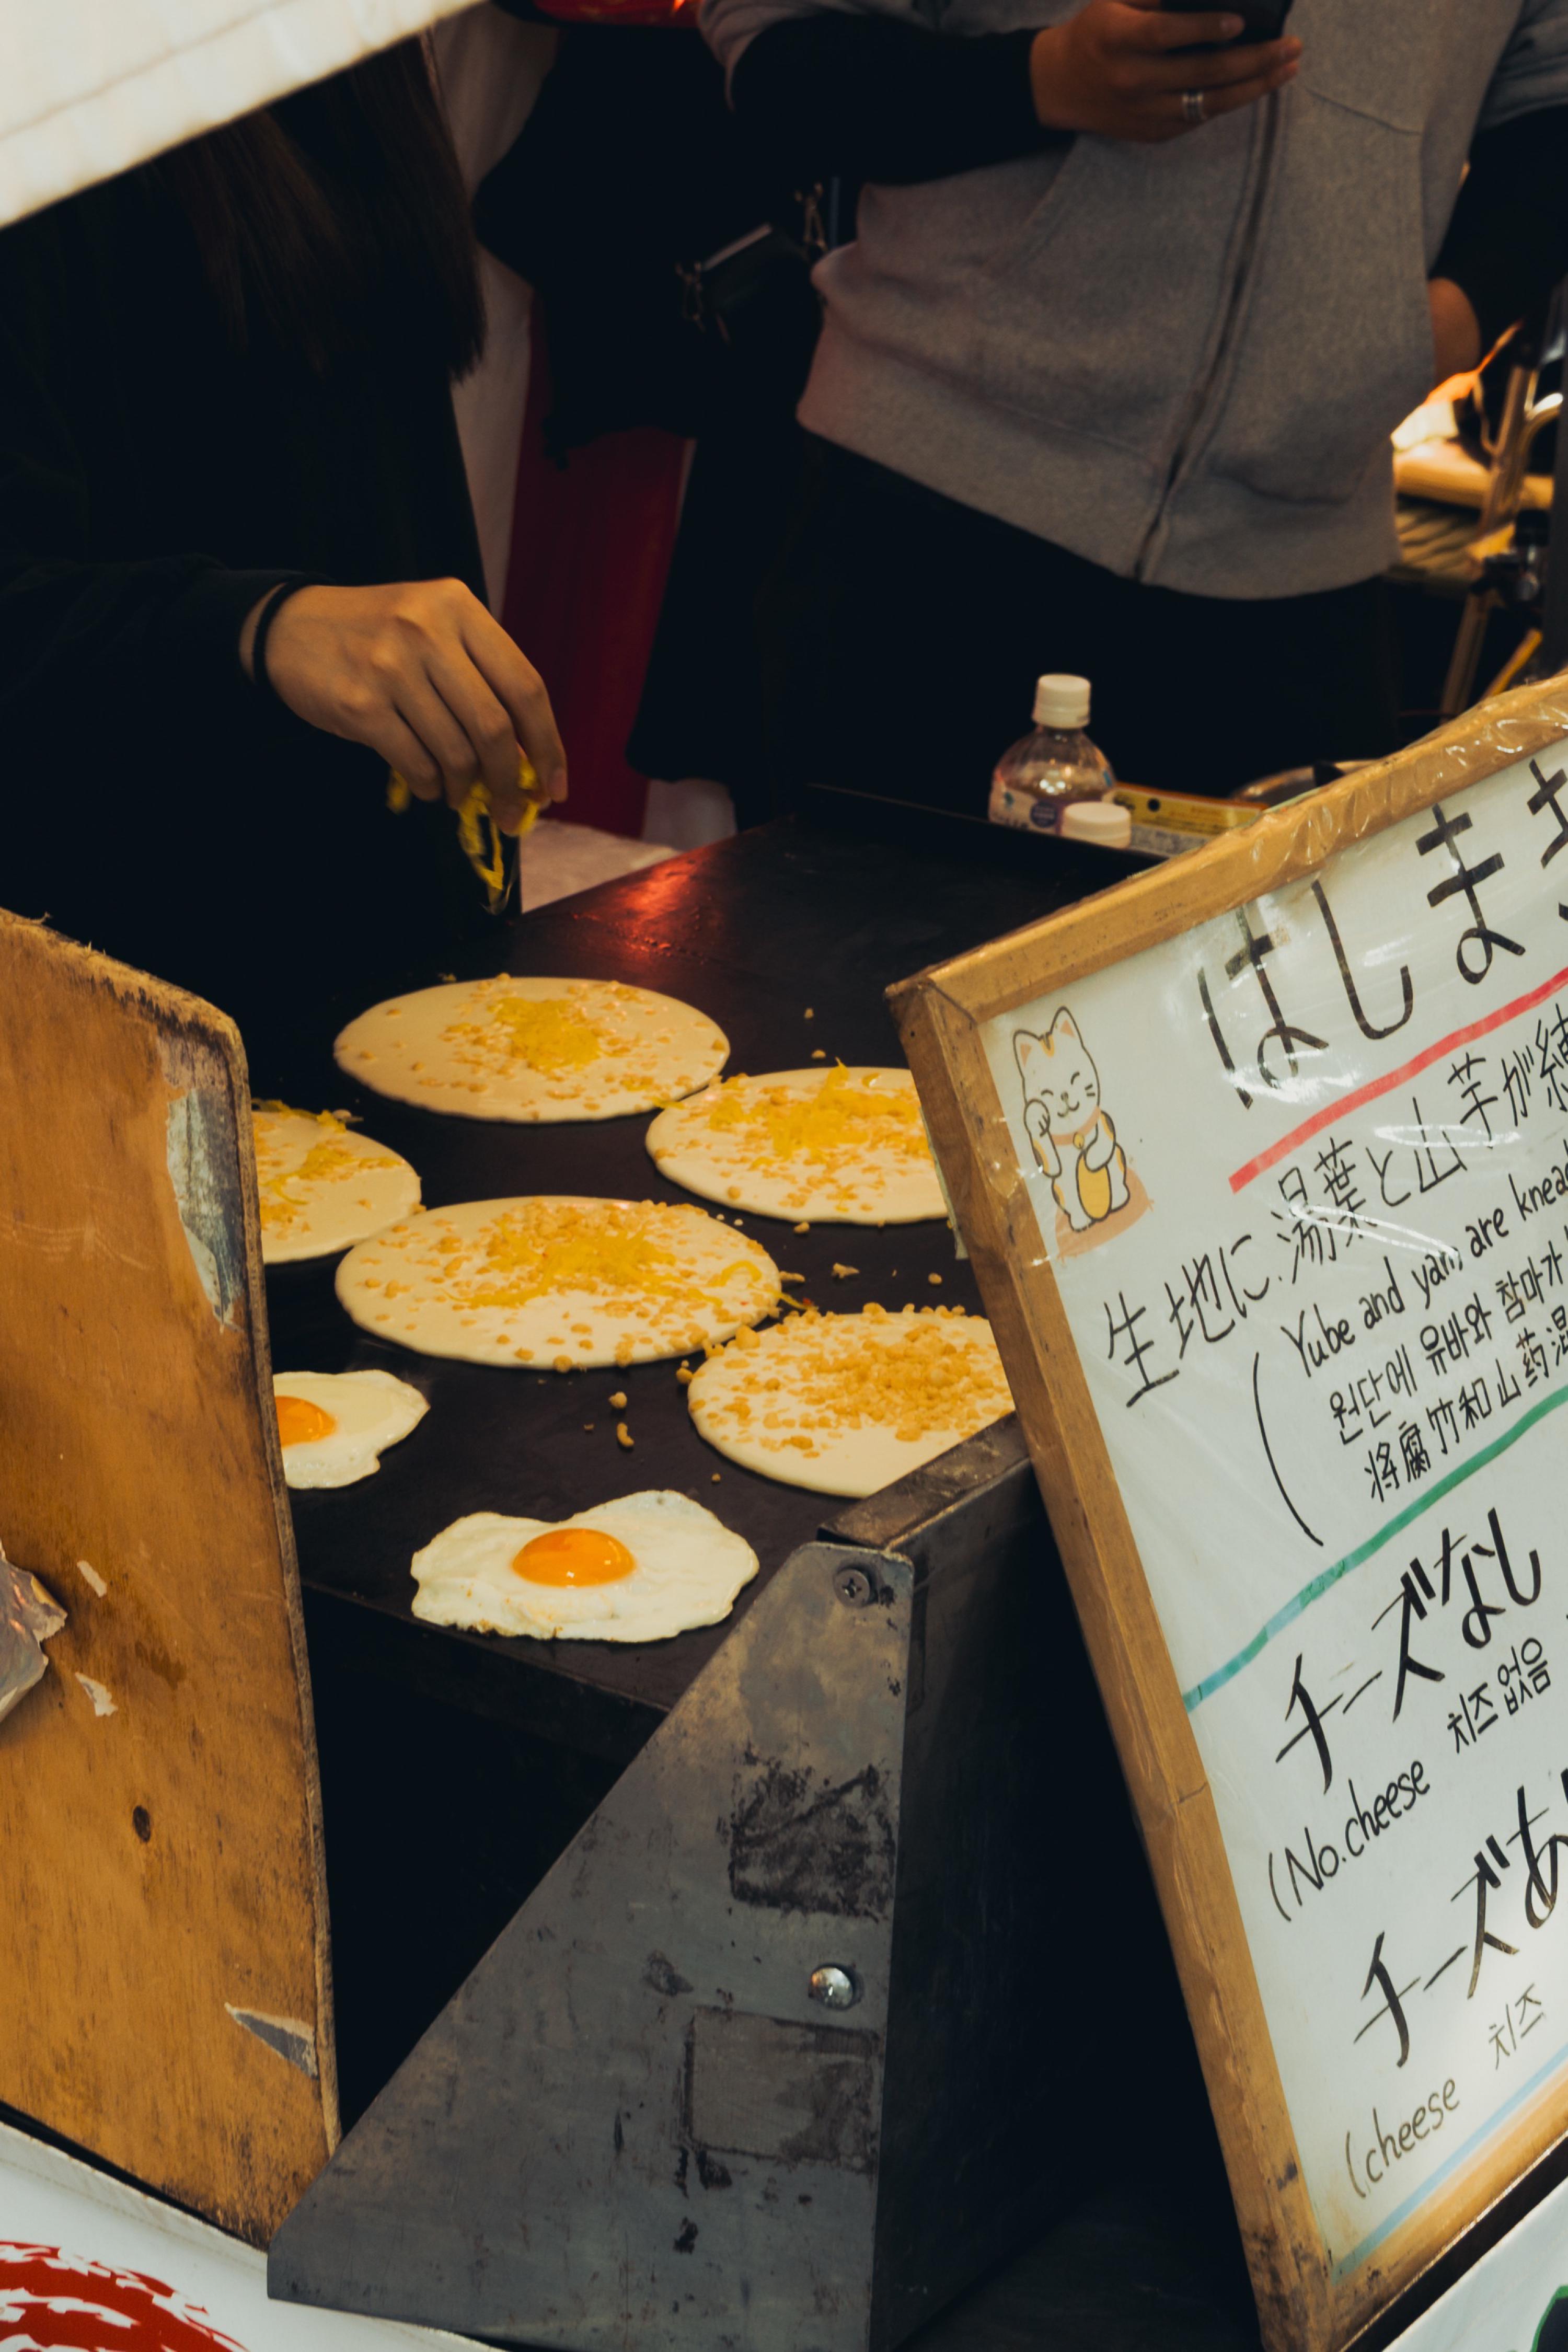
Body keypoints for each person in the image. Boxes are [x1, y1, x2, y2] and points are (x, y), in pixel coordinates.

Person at [701, 0, 1568, 803]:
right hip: (923, 510)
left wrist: (1447, 324)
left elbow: (1554, 101)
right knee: (848, 920)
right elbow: (778, 49)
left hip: (1301, 573)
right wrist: (1042, 81)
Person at [0, 42, 566, 1065]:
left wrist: (470, 886)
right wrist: (262, 626)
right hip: (131, 979)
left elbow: (386, 459)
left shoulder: (333, 51)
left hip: (376, 914)